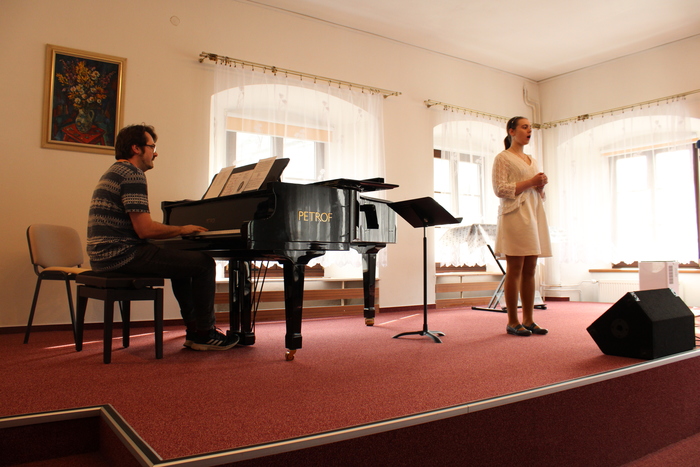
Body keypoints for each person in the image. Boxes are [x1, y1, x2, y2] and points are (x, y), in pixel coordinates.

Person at [87, 124, 238, 350]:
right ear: (136, 148)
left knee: (182, 264)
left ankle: (195, 330)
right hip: (122, 255)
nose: (155, 153)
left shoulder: (114, 172)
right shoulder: (132, 174)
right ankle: (205, 333)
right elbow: (145, 230)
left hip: (103, 256)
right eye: (152, 147)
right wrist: (181, 229)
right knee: (205, 264)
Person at [492, 116, 552, 336]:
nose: (529, 131)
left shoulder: (531, 160)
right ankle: (512, 321)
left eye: (531, 128)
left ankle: (529, 319)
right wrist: (531, 182)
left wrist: (540, 186)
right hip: (514, 215)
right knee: (515, 269)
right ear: (511, 131)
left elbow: (536, 193)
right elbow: (500, 189)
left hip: (533, 214)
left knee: (531, 269)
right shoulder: (503, 157)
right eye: (525, 127)